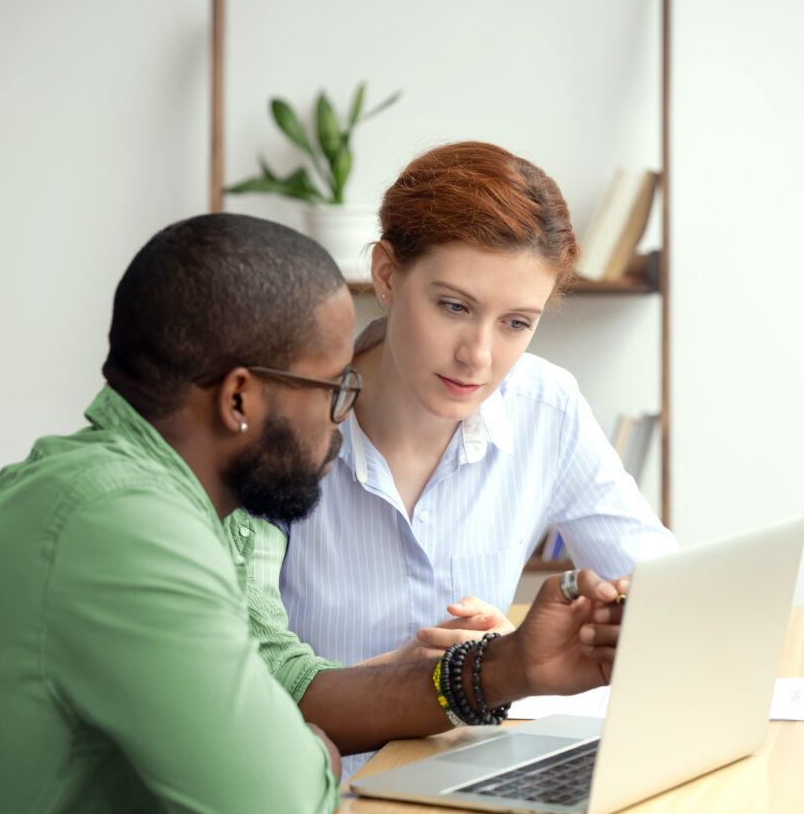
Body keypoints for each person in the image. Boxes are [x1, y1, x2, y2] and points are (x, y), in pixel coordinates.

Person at [0, 213, 627, 814]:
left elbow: (283, 678)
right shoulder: (119, 524)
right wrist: (300, 750)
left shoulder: (174, 503)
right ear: (240, 397)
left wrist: (506, 667)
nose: (340, 417)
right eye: (332, 388)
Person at [278, 141, 676, 668]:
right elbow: (242, 683)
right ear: (387, 275)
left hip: (482, 747)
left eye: (517, 323)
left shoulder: (545, 407)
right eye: (453, 306)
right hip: (327, 752)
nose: (479, 356)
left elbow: (665, 598)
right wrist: (485, 672)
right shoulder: (280, 424)